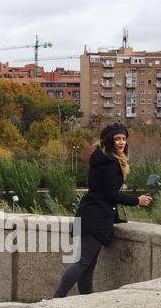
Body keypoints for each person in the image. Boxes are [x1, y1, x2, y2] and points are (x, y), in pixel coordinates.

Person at [53, 122, 151, 297]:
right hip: (95, 218)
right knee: (83, 263)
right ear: (109, 141)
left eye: (124, 139)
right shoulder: (110, 163)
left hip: (87, 214)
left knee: (88, 266)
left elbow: (102, 193)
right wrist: (137, 200)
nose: (121, 142)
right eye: (117, 139)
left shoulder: (101, 159)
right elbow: (110, 194)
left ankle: (86, 301)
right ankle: (57, 297)